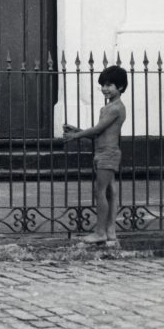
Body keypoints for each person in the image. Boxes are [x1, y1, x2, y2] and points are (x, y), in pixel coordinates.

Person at [64, 65, 128, 246]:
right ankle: (110, 232)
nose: (105, 89)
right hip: (104, 152)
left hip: (108, 154)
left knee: (100, 191)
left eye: (109, 85)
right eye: (103, 85)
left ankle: (100, 232)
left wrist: (75, 136)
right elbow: (99, 133)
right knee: (110, 192)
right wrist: (78, 130)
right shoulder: (109, 108)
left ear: (120, 87)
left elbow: (98, 129)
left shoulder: (115, 108)